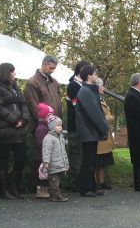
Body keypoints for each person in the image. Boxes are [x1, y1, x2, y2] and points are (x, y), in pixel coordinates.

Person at [0, 63, 29, 200]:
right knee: (4, 159)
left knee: (21, 158)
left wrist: (23, 119)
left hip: (19, 130)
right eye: (12, 72)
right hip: (4, 130)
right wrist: (14, 120)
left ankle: (15, 187)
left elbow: (23, 104)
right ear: (6, 73)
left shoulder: (15, 87)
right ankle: (3, 189)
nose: (14, 74)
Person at [75, 65, 108, 197]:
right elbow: (94, 113)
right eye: (94, 74)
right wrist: (104, 127)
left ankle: (92, 186)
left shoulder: (89, 91)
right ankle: (86, 188)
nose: (96, 76)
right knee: (88, 160)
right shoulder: (85, 92)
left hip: (91, 131)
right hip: (88, 130)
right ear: (89, 76)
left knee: (92, 160)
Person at [66, 61, 89, 192]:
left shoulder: (81, 85)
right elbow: (78, 106)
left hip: (83, 126)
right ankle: (75, 183)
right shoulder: (73, 86)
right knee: (76, 156)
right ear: (81, 71)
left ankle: (82, 182)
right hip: (75, 127)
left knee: (83, 155)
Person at [24, 55, 62, 135]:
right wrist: (45, 123)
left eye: (54, 68)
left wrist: (58, 122)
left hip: (56, 125)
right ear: (43, 65)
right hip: (42, 128)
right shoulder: (32, 82)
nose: (52, 71)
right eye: (51, 68)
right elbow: (33, 106)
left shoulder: (54, 82)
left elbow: (58, 103)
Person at [41, 116, 69, 202]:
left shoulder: (60, 137)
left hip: (60, 163)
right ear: (52, 127)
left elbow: (63, 151)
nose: (60, 127)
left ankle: (55, 194)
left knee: (57, 180)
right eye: (58, 125)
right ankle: (56, 195)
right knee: (54, 181)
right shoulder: (48, 138)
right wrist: (46, 161)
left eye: (61, 125)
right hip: (53, 164)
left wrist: (66, 162)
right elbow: (46, 151)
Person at [95, 78, 114, 190]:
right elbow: (104, 117)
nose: (104, 88)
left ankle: (101, 182)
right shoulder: (95, 99)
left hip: (104, 134)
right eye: (102, 86)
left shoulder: (101, 99)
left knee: (103, 160)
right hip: (99, 135)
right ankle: (95, 182)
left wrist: (109, 117)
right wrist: (110, 118)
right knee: (97, 160)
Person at [34, 103, 55, 199]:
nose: (52, 118)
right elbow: (41, 144)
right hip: (41, 156)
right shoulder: (41, 129)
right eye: (50, 116)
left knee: (47, 175)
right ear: (44, 117)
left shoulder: (47, 127)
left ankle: (46, 190)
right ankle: (41, 192)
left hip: (45, 156)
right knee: (41, 175)